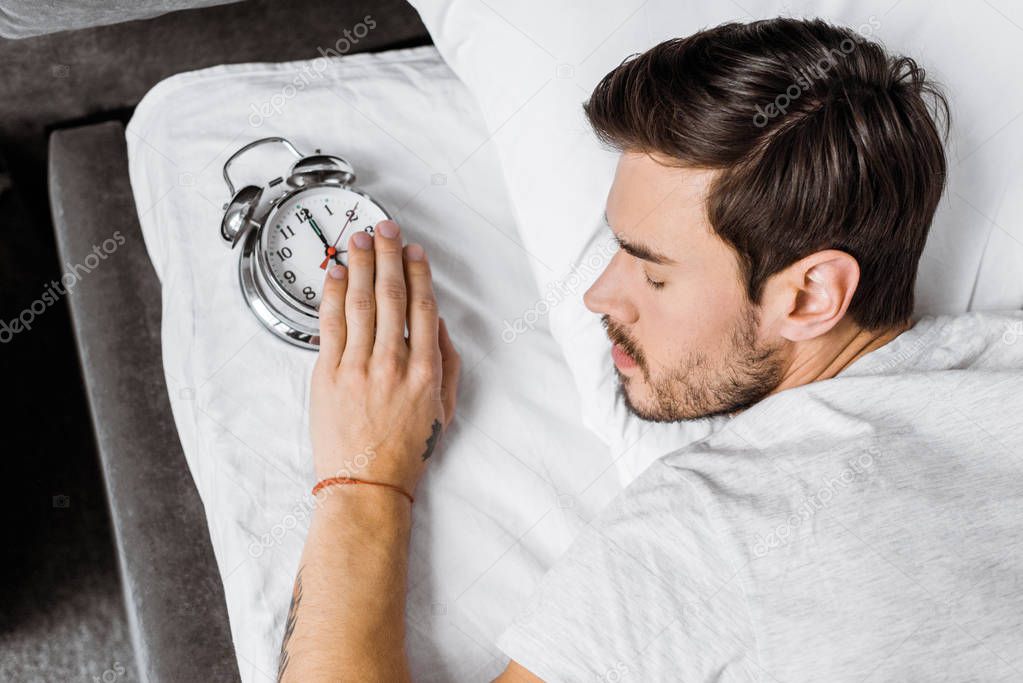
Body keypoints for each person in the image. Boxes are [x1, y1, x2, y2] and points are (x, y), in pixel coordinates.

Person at [276, 17, 1023, 682]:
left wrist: (362, 483)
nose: (598, 294)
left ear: (808, 296)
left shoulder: (707, 537)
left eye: (652, 270)